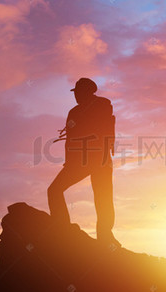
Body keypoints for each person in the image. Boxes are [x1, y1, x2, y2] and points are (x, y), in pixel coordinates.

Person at [48, 77, 121, 248]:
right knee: (56, 190)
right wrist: (69, 161)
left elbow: (103, 130)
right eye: (75, 93)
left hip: (96, 160)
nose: (76, 96)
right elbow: (72, 138)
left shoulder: (100, 105)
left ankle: (103, 236)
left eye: (78, 92)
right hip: (89, 160)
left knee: (101, 197)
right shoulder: (78, 111)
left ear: (87, 92)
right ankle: (66, 228)